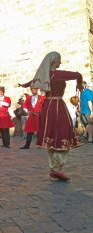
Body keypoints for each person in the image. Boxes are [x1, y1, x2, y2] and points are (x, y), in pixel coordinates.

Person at [19, 51, 83, 181]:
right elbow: (78, 74)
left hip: (46, 107)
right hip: (58, 106)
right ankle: (57, 168)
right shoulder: (58, 74)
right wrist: (79, 84)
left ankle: (53, 168)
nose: (60, 62)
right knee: (61, 134)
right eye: (59, 60)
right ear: (54, 61)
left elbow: (31, 83)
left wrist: (24, 85)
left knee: (51, 136)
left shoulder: (43, 75)